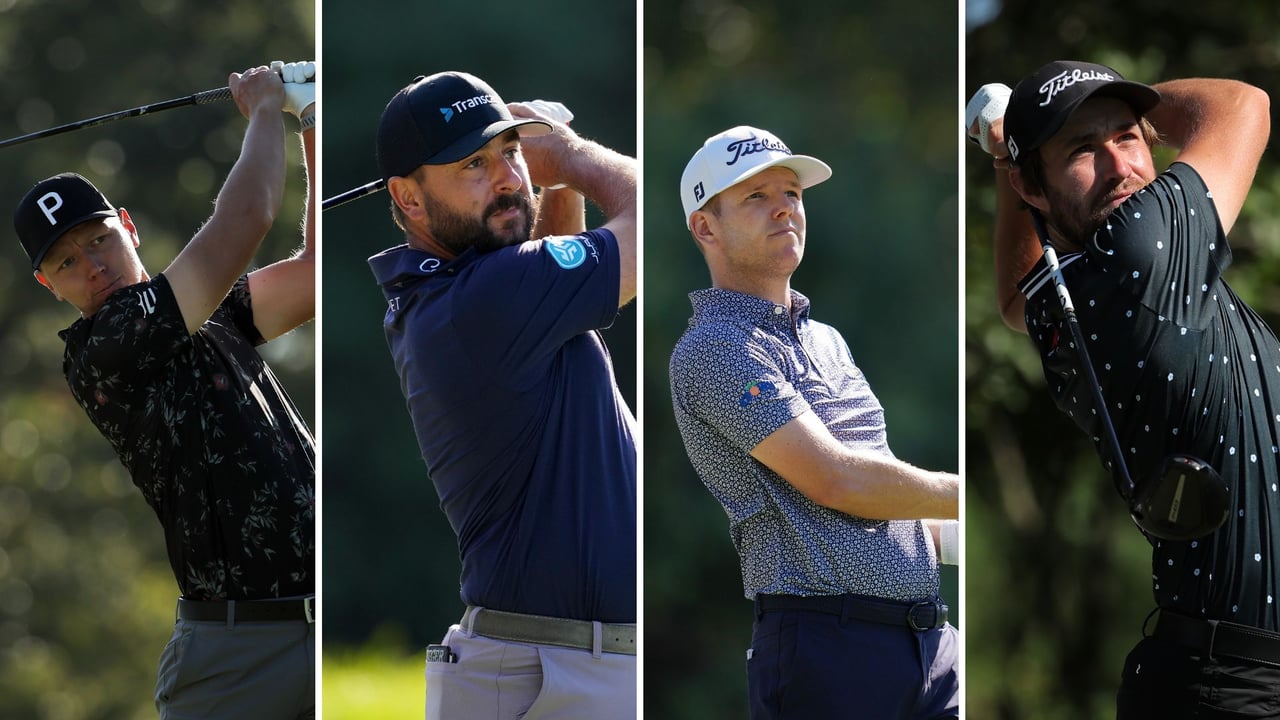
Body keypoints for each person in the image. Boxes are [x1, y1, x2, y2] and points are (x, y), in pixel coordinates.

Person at [968, 59, 1280, 716]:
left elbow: (1012, 300)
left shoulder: (1065, 306)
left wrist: (1012, 153)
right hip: (1236, 688)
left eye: (1126, 137)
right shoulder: (1146, 243)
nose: (1119, 167)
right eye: (1083, 148)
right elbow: (1243, 105)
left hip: (1211, 678)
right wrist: (1140, 113)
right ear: (1034, 185)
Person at [12, 61, 316, 718]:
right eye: (67, 261)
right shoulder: (105, 350)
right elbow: (250, 215)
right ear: (49, 285)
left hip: (318, 627)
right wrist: (267, 108)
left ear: (128, 225)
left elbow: (314, 275)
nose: (93, 267)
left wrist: (312, 118)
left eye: (100, 240)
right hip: (239, 656)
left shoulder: (209, 311)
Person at [366, 70, 637, 719]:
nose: (510, 177)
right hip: (553, 671)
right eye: (474, 164)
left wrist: (556, 179)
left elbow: (556, 263)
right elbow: (654, 221)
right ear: (407, 197)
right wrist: (567, 153)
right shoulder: (483, 299)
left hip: (561, 663)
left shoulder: (455, 294)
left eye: (511, 151)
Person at [669, 125, 960, 719]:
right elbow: (839, 482)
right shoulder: (714, 349)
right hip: (828, 652)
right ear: (705, 227)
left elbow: (882, 496)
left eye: (792, 193)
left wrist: (955, 535)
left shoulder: (826, 340)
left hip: (929, 646)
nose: (784, 208)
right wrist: (960, 493)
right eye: (755, 196)